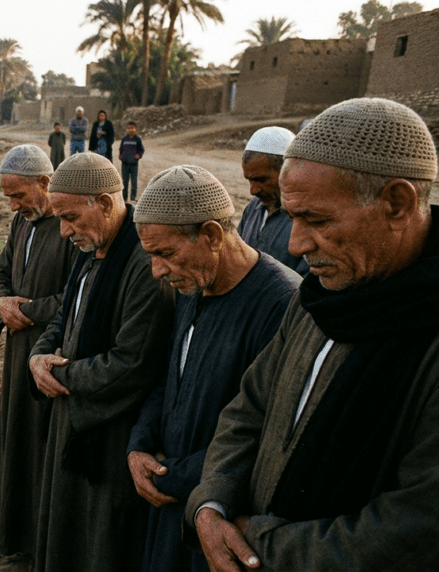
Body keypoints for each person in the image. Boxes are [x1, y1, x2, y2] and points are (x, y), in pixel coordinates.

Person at [186, 97, 439, 571]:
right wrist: (211, 505)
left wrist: (261, 546)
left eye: (317, 220)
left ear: (398, 203)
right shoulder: (319, 296)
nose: (295, 245)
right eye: (292, 218)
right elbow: (249, 407)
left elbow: (420, 528)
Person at [127, 165, 302, 572]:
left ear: (211, 235)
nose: (157, 271)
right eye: (150, 256)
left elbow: (265, 431)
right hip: (169, 493)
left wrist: (170, 476)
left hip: (216, 509)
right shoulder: (193, 283)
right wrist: (139, 444)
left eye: (165, 254)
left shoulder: (281, 305)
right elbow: (170, 383)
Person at [28, 152, 174, 572]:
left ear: (106, 204)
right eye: (59, 218)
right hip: (73, 411)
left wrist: (60, 373)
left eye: (71, 217)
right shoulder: (91, 248)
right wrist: (39, 356)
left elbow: (133, 363)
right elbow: (65, 317)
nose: (63, 231)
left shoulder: (144, 263)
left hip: (111, 429)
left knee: (102, 537)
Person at [0, 145, 79, 561]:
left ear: (45, 183)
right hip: (17, 351)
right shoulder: (21, 224)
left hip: (52, 355)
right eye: (7, 197)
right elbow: (0, 270)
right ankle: (16, 535)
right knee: (17, 441)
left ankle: (41, 544)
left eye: (18, 195)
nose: (12, 205)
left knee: (43, 448)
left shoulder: (71, 227)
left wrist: (28, 311)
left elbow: (77, 297)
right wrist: (0, 303)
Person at [237, 127, 309, 275]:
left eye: (261, 180)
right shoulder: (253, 208)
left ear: (287, 172)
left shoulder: (308, 217)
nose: (253, 191)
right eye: (249, 180)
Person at [119, 121, 145, 201]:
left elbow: (141, 150)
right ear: (127, 129)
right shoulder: (124, 139)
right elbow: (121, 149)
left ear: (136, 129)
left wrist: (139, 155)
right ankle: (124, 198)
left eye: (133, 128)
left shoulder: (137, 139)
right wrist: (121, 156)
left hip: (134, 164)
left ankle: (133, 197)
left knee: (134, 182)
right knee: (125, 182)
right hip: (125, 164)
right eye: (129, 128)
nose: (131, 130)